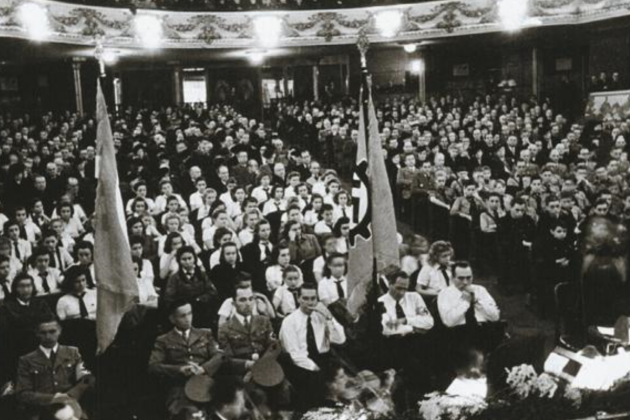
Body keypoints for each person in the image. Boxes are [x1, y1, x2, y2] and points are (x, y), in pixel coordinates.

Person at [148, 300, 251, 420]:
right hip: (181, 390)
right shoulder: (163, 340)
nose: (188, 319)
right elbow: (153, 366)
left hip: (208, 387)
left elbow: (219, 356)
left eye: (190, 313)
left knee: (231, 410)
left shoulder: (204, 334)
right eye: (183, 316)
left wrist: (203, 369)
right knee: (190, 415)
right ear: (172, 319)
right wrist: (179, 370)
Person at [279, 284, 346, 410]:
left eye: (313, 298)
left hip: (324, 358)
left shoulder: (321, 316)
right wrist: (316, 368)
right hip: (301, 364)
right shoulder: (289, 321)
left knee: (341, 374)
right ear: (298, 298)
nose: (310, 303)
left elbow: (340, 339)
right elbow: (295, 354)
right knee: (314, 379)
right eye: (305, 298)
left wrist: (329, 317)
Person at [15, 318, 92, 420]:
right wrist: (53, 399)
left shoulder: (72, 352)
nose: (48, 336)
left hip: (73, 408)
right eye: (43, 333)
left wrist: (71, 395)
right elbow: (22, 393)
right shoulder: (26, 360)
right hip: (42, 411)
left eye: (52, 331)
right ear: (37, 334)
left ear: (59, 331)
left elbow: (87, 379)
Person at [217, 286, 274, 362]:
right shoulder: (225, 328)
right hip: (241, 370)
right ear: (234, 303)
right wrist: (246, 365)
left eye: (251, 299)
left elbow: (273, 346)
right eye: (242, 300)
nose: (248, 304)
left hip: (266, 365)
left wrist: (263, 363)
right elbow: (227, 358)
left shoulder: (264, 321)